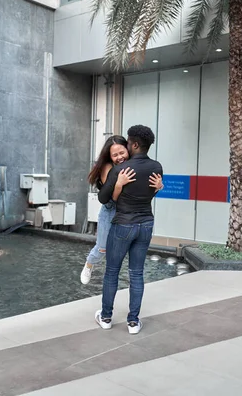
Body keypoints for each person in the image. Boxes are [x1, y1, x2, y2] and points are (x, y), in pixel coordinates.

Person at [95, 125, 163, 335]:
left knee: (112, 272)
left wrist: (117, 183)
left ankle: (106, 317)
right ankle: (133, 322)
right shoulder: (157, 167)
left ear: (133, 144)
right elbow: (149, 193)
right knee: (137, 273)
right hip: (146, 225)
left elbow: (103, 198)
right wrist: (159, 187)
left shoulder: (121, 170)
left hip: (123, 224)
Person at [81, 135, 162, 285]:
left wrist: (158, 187)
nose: (119, 157)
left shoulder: (134, 165)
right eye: (115, 155)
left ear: (128, 149)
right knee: (102, 248)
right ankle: (89, 264)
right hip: (111, 209)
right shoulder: (108, 168)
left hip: (129, 213)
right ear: (109, 156)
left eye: (122, 152)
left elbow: (141, 194)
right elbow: (113, 197)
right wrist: (119, 184)